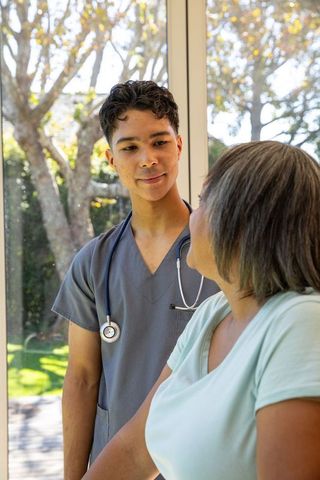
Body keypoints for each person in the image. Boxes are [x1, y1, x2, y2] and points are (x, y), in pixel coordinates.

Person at [82, 140, 320, 480]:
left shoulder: (301, 322)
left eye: (202, 201)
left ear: (241, 222)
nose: (191, 217)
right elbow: (134, 452)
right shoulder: (213, 313)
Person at [52, 80, 219, 479]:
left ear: (178, 147)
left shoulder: (224, 251)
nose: (148, 159)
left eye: (160, 142)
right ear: (111, 159)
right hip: (116, 466)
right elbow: (81, 378)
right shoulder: (94, 263)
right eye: (130, 147)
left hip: (205, 464)